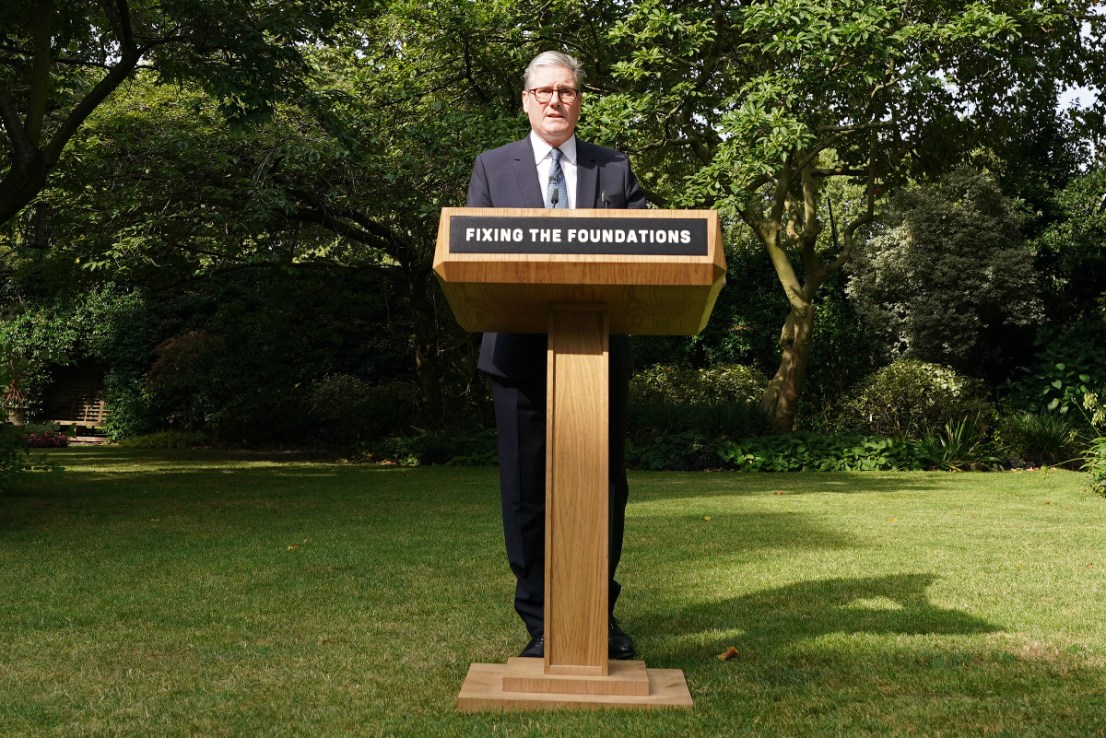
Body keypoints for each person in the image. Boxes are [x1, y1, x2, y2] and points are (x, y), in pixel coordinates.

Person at [466, 50, 645, 661]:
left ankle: (600, 612)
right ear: (524, 100)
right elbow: (472, 257)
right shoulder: (492, 168)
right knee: (525, 493)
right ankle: (540, 621)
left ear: (579, 99)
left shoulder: (614, 169)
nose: (554, 101)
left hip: (597, 355)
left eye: (566, 91)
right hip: (515, 359)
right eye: (543, 91)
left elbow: (649, 250)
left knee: (603, 488)